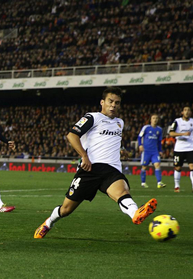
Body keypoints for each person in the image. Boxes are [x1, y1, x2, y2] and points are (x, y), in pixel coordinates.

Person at [34, 87, 157, 239]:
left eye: (117, 103)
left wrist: (121, 150)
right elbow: (71, 136)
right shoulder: (92, 117)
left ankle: (135, 213)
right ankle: (48, 223)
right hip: (90, 169)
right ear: (102, 102)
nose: (113, 105)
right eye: (110, 101)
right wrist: (84, 156)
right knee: (66, 209)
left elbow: (108, 141)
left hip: (111, 169)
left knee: (123, 193)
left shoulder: (120, 123)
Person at [168, 107, 193, 193]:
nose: (187, 112)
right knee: (178, 167)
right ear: (182, 112)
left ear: (190, 113)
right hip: (179, 148)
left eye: (188, 110)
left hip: (190, 148)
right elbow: (171, 133)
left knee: (192, 167)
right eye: (185, 110)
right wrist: (183, 133)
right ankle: (177, 186)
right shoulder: (177, 121)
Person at [137, 114, 166, 188]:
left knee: (157, 165)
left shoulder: (159, 129)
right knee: (144, 167)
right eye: (153, 118)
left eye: (156, 118)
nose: (155, 119)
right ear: (150, 120)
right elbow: (140, 137)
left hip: (154, 151)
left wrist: (160, 150)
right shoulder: (146, 128)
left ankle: (159, 183)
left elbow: (159, 141)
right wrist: (140, 145)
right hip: (146, 151)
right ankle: (143, 183)